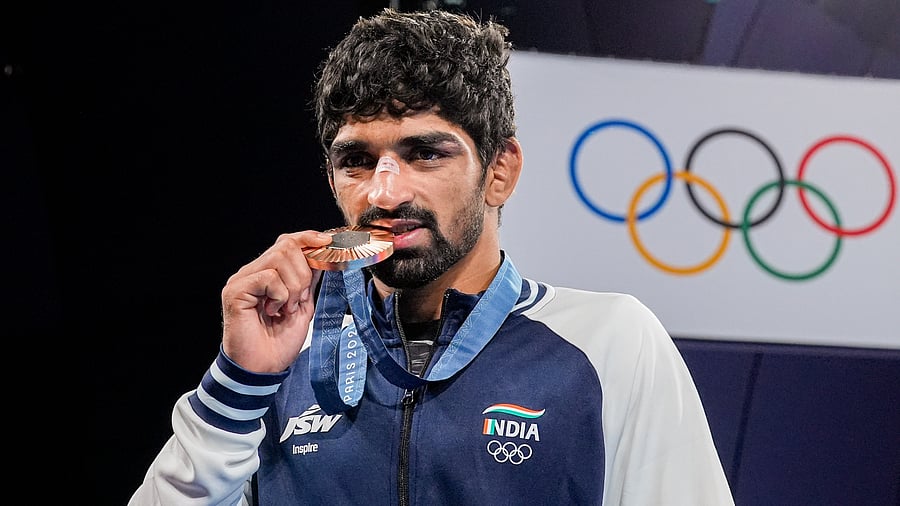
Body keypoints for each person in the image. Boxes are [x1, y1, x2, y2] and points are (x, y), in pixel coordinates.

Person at [129, 8, 734, 505]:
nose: (384, 192)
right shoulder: (281, 353)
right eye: (357, 161)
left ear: (499, 172)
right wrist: (240, 382)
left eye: (424, 153)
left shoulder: (609, 344)